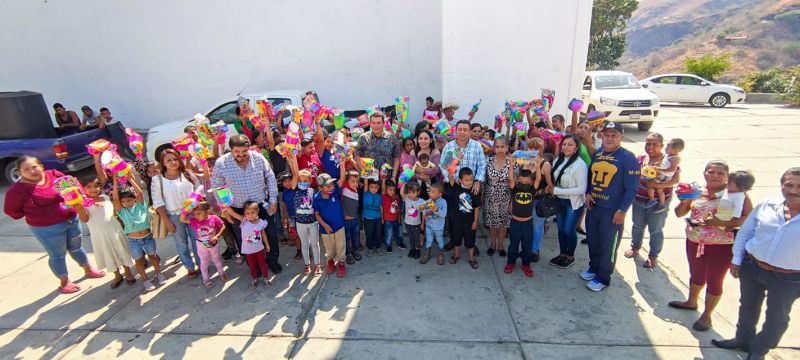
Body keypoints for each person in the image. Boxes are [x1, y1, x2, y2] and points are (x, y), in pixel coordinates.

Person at [712, 167, 800, 360]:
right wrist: (737, 259)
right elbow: (746, 232)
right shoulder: (768, 204)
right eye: (789, 184)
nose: (793, 190)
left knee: (777, 317)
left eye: (799, 186)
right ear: (781, 185)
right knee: (748, 306)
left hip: (789, 277)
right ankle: (742, 339)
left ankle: (759, 349)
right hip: (752, 266)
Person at [3, 157, 105, 294]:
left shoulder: (55, 175)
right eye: (26, 169)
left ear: (41, 166)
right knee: (58, 254)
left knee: (76, 247)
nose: (32, 171)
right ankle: (64, 281)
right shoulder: (17, 191)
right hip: (47, 229)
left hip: (72, 220)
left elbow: (75, 188)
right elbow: (12, 211)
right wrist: (38, 214)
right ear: (20, 172)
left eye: (34, 167)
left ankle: (88, 269)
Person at [669, 160, 746, 331]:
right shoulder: (696, 191)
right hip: (694, 242)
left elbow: (748, 218)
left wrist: (725, 223)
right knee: (696, 274)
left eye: (721, 173)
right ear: (705, 173)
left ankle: (707, 315)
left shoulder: (735, 194)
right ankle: (691, 301)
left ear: (728, 176)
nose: (715, 176)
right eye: (711, 172)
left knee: (714, 279)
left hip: (721, 246)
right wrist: (684, 200)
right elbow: (679, 213)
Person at [582, 121, 640, 292]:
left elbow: (632, 188)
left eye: (614, 135)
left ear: (621, 137)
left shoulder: (628, 157)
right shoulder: (599, 153)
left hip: (612, 210)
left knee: (608, 245)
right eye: (606, 135)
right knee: (593, 241)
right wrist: (588, 192)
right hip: (594, 207)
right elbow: (591, 177)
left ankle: (603, 277)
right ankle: (593, 268)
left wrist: (622, 210)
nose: (609, 138)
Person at [212, 135, 282, 274]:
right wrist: (228, 211)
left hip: (261, 204)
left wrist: (273, 199)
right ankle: (254, 265)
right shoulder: (222, 163)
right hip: (237, 208)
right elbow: (218, 187)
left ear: (249, 148)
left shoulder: (258, 158)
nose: (241, 155)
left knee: (270, 234)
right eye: (237, 152)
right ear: (231, 150)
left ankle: (272, 261)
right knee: (243, 238)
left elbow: (270, 178)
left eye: (244, 151)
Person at [625, 134, 681, 270]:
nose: (650, 147)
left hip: (658, 202)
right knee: (637, 225)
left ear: (662, 146)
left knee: (655, 229)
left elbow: (675, 180)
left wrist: (656, 186)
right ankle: (635, 247)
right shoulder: (641, 159)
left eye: (655, 144)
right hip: (639, 199)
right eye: (648, 144)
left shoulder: (668, 161)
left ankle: (653, 256)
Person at [76, 178, 135, 288]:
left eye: (96, 186)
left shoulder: (106, 198)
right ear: (83, 189)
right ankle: (117, 274)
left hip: (114, 230)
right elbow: (84, 219)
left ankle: (128, 272)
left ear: (100, 187)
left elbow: (114, 213)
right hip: (99, 234)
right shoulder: (83, 203)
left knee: (121, 250)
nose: (93, 189)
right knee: (108, 253)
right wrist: (79, 208)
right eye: (89, 187)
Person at [152, 149, 201, 278]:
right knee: (181, 242)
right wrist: (167, 221)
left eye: (175, 159)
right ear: (162, 162)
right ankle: (189, 267)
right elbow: (158, 202)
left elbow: (199, 191)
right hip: (173, 216)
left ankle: (202, 264)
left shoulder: (188, 174)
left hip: (192, 214)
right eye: (169, 160)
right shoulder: (157, 179)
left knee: (197, 240)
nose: (173, 162)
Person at [112, 175, 165, 292]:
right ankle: (146, 280)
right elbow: (115, 199)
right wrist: (115, 181)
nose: (127, 203)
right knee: (139, 261)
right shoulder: (122, 211)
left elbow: (140, 193)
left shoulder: (141, 205)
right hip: (133, 241)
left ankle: (159, 273)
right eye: (124, 201)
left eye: (129, 200)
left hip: (147, 237)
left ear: (134, 199)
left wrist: (130, 179)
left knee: (153, 257)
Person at [547, 134, 588, 269]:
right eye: (564, 144)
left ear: (576, 147)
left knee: (568, 230)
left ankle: (570, 256)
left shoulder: (580, 165)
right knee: (560, 230)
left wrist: (557, 191)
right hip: (559, 202)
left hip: (573, 203)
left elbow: (581, 189)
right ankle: (562, 253)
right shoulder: (558, 160)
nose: (566, 147)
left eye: (570, 144)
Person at [287, 155, 323, 276]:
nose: (302, 182)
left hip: (312, 222)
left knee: (315, 244)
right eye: (300, 180)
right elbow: (295, 174)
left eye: (305, 180)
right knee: (304, 244)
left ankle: (318, 264)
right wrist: (292, 158)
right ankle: (307, 265)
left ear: (310, 181)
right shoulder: (295, 190)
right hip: (300, 223)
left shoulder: (313, 191)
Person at [180, 202, 227, 288]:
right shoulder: (194, 220)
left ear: (207, 211)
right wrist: (187, 209)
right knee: (204, 263)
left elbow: (222, 226)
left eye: (199, 213)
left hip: (214, 244)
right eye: (194, 214)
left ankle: (222, 274)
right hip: (201, 245)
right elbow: (182, 219)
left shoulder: (214, 218)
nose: (196, 216)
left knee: (217, 259)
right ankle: (206, 279)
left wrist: (217, 236)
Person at [226, 202, 272, 288]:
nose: (250, 215)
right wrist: (225, 205)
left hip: (259, 249)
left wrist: (267, 245)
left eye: (253, 213)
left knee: (263, 264)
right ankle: (254, 279)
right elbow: (232, 213)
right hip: (248, 251)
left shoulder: (261, 222)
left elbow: (263, 234)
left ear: (257, 211)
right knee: (252, 265)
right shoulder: (244, 220)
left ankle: (266, 278)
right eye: (247, 213)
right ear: (244, 213)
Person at [505, 164, 540, 278]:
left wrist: (538, 165)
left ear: (531, 182)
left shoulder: (532, 190)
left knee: (527, 246)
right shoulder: (514, 189)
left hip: (528, 223)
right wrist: (511, 164)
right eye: (521, 182)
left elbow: (538, 178)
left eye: (526, 182)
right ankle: (511, 262)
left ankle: (526, 264)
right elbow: (510, 178)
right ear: (517, 181)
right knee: (513, 245)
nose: (523, 184)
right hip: (515, 222)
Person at [445, 167, 482, 269]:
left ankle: (471, 258)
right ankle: (456, 255)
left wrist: (475, 221)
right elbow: (450, 177)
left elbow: (476, 208)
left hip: (470, 222)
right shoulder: (456, 188)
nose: (469, 182)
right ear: (460, 180)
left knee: (470, 241)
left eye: (471, 180)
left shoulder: (475, 191)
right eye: (466, 180)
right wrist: (452, 167)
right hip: (457, 221)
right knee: (456, 240)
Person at [313, 173, 348, 278]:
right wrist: (325, 225)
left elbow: (342, 179)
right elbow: (317, 215)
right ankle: (331, 261)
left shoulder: (335, 192)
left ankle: (341, 262)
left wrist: (342, 164)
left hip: (339, 226)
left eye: (332, 185)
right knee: (329, 247)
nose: (331, 187)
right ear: (320, 188)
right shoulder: (317, 198)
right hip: (326, 229)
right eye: (328, 186)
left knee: (340, 245)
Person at [355, 111, 400, 180]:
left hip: (387, 179)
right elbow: (357, 157)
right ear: (370, 123)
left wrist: (393, 177)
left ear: (383, 123)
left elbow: (396, 158)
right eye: (373, 123)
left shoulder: (391, 138)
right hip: (369, 180)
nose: (376, 125)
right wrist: (366, 172)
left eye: (379, 123)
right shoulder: (363, 138)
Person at [646, 138, 684, 208]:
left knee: (650, 184)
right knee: (660, 190)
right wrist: (658, 164)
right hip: (663, 173)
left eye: (668, 147)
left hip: (665, 175)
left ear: (675, 151)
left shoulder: (675, 158)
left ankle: (652, 200)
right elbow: (665, 163)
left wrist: (659, 169)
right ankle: (662, 204)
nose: (665, 148)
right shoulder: (668, 155)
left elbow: (672, 169)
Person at [420, 183, 448, 265]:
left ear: (439, 194)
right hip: (429, 226)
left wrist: (437, 210)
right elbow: (423, 211)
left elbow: (444, 214)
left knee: (439, 240)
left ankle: (440, 254)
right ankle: (427, 254)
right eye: (429, 191)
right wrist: (425, 216)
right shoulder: (428, 201)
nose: (429, 193)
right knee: (428, 240)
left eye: (432, 192)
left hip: (438, 227)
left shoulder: (443, 202)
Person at [341, 170, 363, 264]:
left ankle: (355, 250)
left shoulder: (356, 191)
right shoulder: (344, 190)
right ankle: (348, 254)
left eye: (356, 181)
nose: (355, 184)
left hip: (355, 219)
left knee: (355, 237)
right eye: (352, 181)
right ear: (347, 182)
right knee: (346, 238)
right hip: (346, 221)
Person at [401, 181, 426, 259]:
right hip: (407, 223)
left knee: (416, 238)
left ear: (418, 192)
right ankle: (412, 249)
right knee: (411, 238)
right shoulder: (407, 199)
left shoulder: (421, 201)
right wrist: (404, 183)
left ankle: (417, 250)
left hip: (416, 224)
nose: (411, 194)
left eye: (413, 192)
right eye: (409, 192)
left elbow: (424, 214)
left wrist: (422, 224)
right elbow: (401, 193)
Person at [414, 130, 441, 198]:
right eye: (420, 138)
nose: (423, 141)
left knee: (431, 206)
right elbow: (409, 170)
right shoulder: (413, 152)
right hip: (415, 184)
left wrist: (422, 170)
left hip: (432, 184)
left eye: (426, 138)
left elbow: (437, 170)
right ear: (417, 140)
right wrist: (420, 177)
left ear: (431, 140)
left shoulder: (435, 152)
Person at [363, 179, 383, 256]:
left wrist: (382, 218)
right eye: (371, 187)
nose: (374, 189)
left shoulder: (378, 196)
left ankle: (378, 247)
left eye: (376, 187)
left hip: (378, 218)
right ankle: (370, 248)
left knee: (378, 234)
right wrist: (368, 173)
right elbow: (365, 182)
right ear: (368, 187)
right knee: (369, 234)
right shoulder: (366, 193)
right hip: (368, 219)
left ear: (378, 188)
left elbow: (381, 207)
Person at [382, 179, 404, 251]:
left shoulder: (397, 197)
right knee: (389, 233)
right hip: (388, 220)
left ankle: (399, 242)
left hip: (396, 219)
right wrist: (383, 179)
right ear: (386, 189)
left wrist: (399, 218)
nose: (392, 192)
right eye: (390, 190)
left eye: (393, 190)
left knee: (399, 232)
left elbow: (398, 208)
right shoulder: (384, 197)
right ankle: (388, 245)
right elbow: (383, 188)